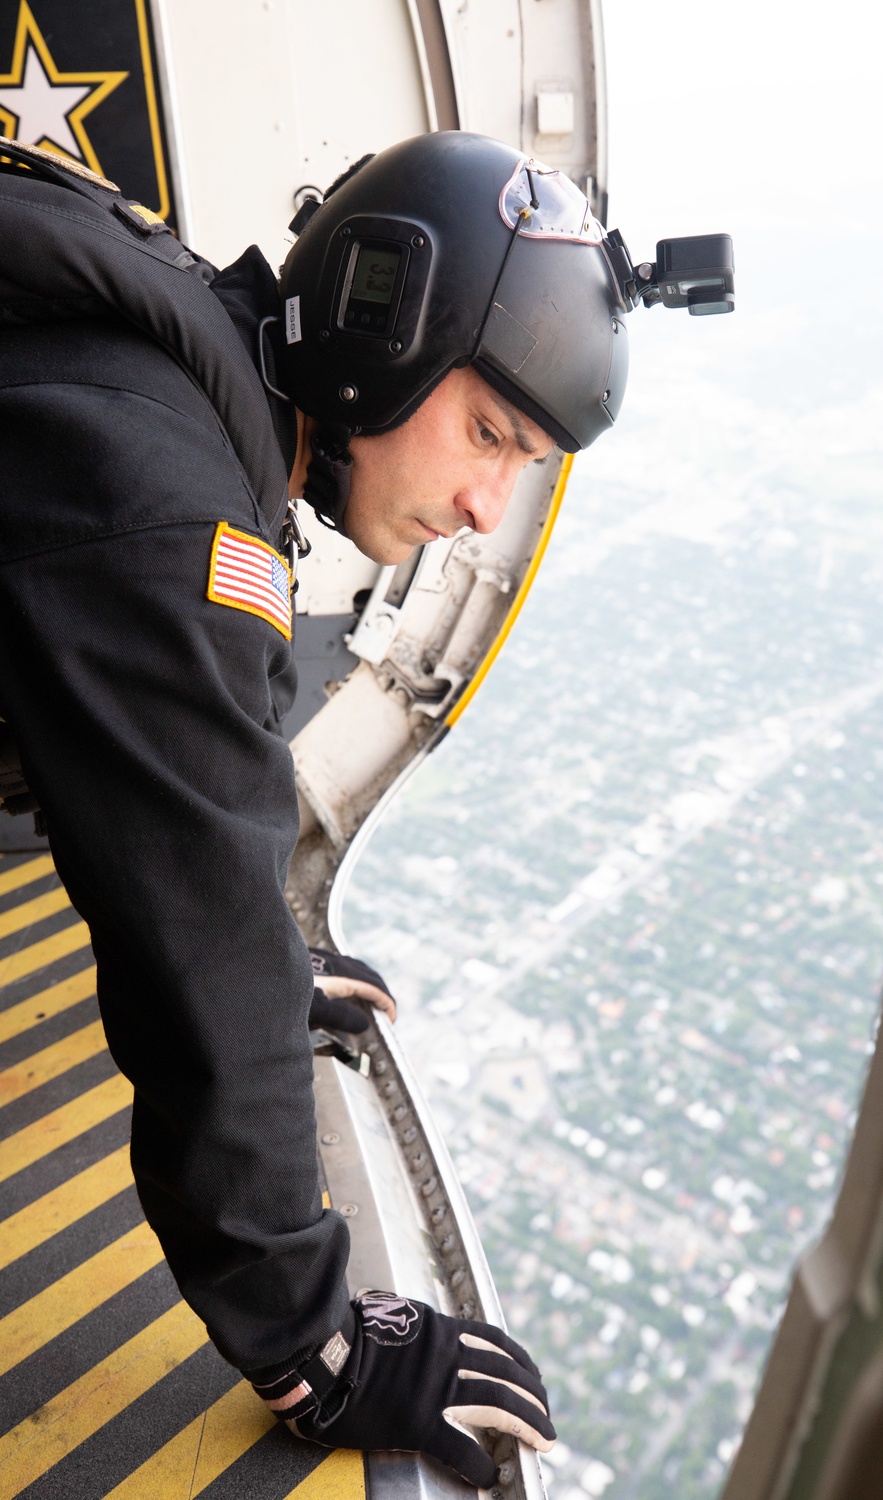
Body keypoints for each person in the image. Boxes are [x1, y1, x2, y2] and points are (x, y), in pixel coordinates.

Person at [0, 129, 632, 1486]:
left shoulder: (165, 359)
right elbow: (201, 933)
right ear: (379, 332)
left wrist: (264, 960)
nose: (482, 506)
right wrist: (318, 1340)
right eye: (488, 434)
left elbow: (163, 801)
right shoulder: (169, 509)